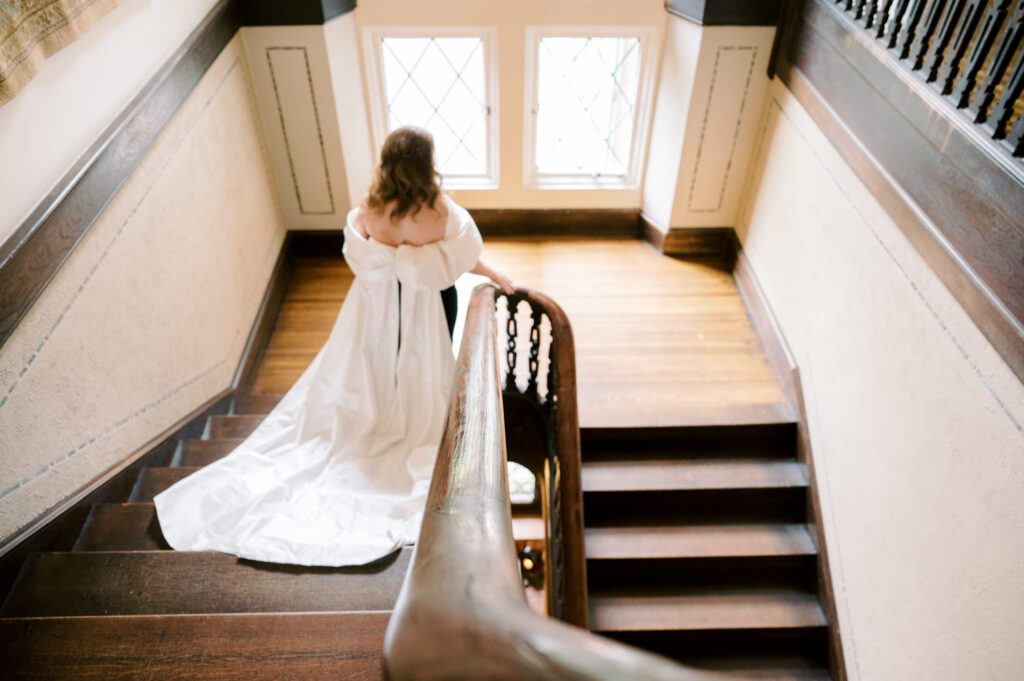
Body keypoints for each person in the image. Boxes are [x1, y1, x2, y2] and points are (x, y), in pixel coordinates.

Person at [153, 126, 513, 567]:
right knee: (427, 368)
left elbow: (367, 258)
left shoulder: (368, 212)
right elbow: (459, 257)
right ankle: (412, 413)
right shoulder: (439, 214)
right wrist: (498, 277)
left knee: (373, 364)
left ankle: (379, 412)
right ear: (426, 164)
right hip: (429, 306)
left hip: (377, 310)